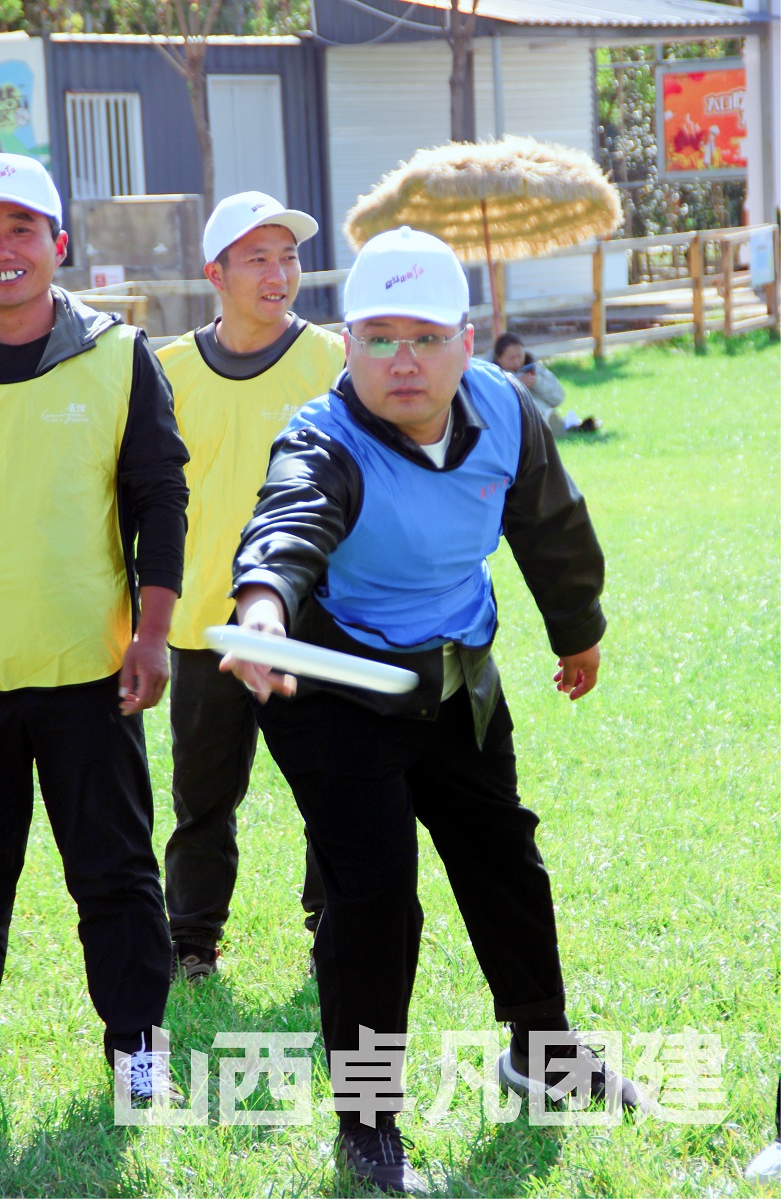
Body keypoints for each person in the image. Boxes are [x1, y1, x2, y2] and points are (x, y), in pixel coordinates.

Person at [224, 226, 644, 1194]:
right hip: (334, 686)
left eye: (424, 337)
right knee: (374, 895)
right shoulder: (322, 437)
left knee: (504, 856)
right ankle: (367, 1123)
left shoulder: (502, 408)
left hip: (454, 677)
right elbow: (288, 521)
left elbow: (549, 521)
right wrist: (262, 606)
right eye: (379, 338)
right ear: (346, 344)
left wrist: (576, 629)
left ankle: (542, 1051)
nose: (402, 360)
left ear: (467, 340)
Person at [0, 154, 189, 1101]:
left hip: (90, 671)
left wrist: (153, 634)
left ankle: (137, 1051)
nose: (1, 249)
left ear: (58, 244)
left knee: (115, 872)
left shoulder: (119, 354)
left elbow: (160, 498)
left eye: (21, 228)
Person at [159, 191, 345, 980]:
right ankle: (191, 942)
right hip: (204, 622)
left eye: (289, 257)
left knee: (332, 788)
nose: (279, 274)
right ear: (216, 273)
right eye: (258, 259)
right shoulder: (167, 369)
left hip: (314, 620)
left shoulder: (332, 360)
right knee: (202, 798)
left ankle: (334, 930)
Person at [493, 331, 600, 437]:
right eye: (511, 358)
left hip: (542, 411)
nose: (517, 362)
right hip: (514, 419)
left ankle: (555, 424)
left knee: (541, 410)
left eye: (520, 356)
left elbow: (558, 397)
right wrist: (514, 386)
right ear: (499, 359)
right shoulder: (492, 376)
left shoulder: (536, 368)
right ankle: (552, 426)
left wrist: (538, 382)